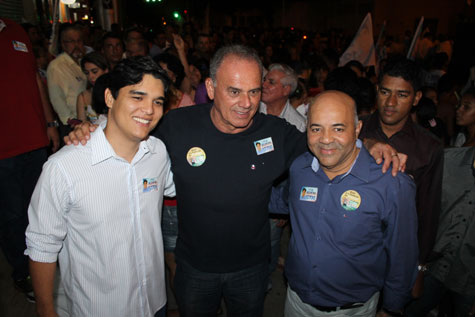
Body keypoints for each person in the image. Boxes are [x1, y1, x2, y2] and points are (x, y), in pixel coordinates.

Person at [65, 45, 405, 316]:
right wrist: (92, 129)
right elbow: (128, 131)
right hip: (194, 267)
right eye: (235, 91)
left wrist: (370, 143)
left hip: (252, 269)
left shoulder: (277, 133)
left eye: (255, 92)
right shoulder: (175, 125)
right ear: (211, 88)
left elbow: (329, 141)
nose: (247, 103)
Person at [25, 56, 174, 317]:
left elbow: (186, 187)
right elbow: (42, 244)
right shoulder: (63, 168)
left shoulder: (158, 152)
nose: (149, 110)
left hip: (153, 302)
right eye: (137, 97)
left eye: (157, 101)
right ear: (109, 98)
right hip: (99, 308)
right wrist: (46, 310)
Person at [270, 91, 418, 316]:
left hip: (352, 310)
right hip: (296, 302)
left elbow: (403, 253)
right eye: (316, 128)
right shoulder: (300, 168)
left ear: (357, 129)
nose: (326, 139)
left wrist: (392, 308)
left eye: (338, 128)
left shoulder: (390, 183)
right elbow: (282, 201)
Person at [359, 58, 444, 299]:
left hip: (395, 252)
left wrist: (419, 268)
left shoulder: (429, 147)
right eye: (385, 92)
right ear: (377, 91)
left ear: (416, 99)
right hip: (351, 246)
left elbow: (427, 211)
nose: (390, 103)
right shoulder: (355, 130)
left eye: (402, 95)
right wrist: (363, 143)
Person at [0, 16, 59, 302]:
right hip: (3, 150)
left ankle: (45, 265)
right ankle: (23, 272)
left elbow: (35, 78)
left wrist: (49, 123)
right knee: (12, 215)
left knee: (41, 208)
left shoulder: (15, 29)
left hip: (35, 140)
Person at [404, 146, 475, 317]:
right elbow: (418, 214)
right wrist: (418, 267)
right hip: (430, 268)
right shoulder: (446, 160)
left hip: (470, 280)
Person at [46, 24, 87, 135]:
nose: (76, 45)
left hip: (86, 121)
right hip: (72, 125)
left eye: (79, 41)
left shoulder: (84, 61)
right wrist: (71, 122)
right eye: (71, 42)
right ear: (63, 44)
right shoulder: (57, 66)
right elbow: (57, 99)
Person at [76, 51, 109, 123]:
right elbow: (81, 125)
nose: (91, 76)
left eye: (94, 71)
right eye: (87, 73)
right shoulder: (83, 96)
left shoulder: (115, 91)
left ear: (106, 70)